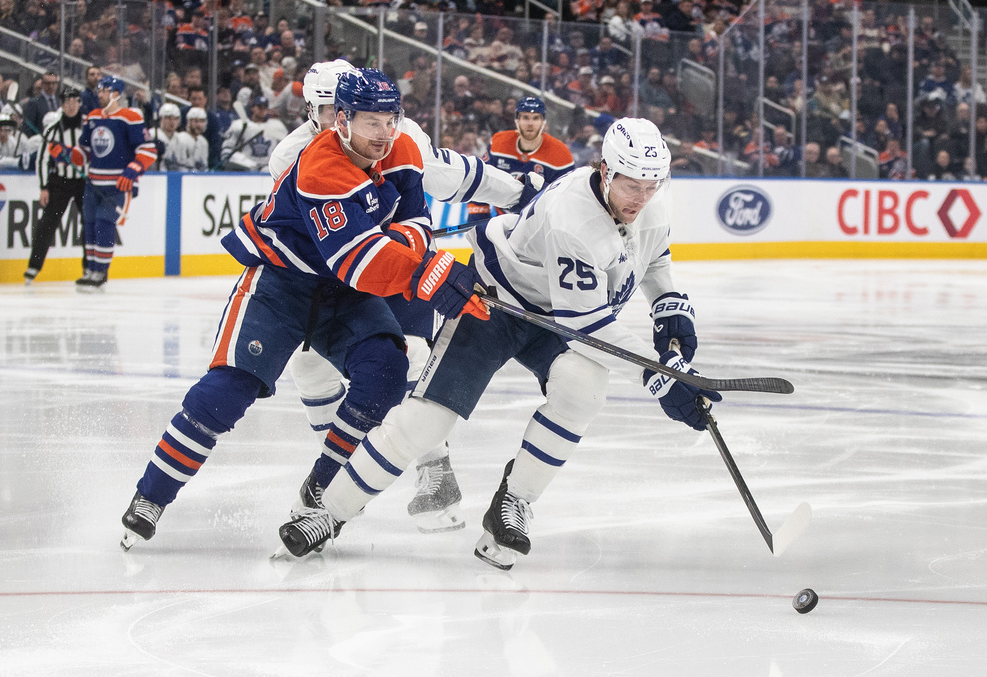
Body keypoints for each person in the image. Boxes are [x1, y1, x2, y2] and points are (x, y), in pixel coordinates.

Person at [276, 118, 722, 568]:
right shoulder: (573, 215)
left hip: (557, 313)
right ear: (605, 171)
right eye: (631, 186)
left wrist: (669, 306)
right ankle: (329, 513)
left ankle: (514, 502)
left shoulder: (652, 203)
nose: (641, 198)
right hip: (496, 301)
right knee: (426, 421)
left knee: (582, 389)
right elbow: (585, 325)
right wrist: (662, 376)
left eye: (651, 186)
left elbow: (652, 257)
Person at [119, 68, 490, 551]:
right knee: (227, 389)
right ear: (340, 119)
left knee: (385, 371)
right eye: (370, 122)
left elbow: (417, 222)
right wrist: (426, 270)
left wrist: (404, 248)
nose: (384, 133)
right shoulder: (318, 164)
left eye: (391, 120)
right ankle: (151, 495)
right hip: (282, 284)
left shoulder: (402, 151)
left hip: (347, 293)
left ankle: (321, 487)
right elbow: (358, 259)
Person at [268, 61, 541, 534]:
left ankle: (435, 473)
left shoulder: (394, 132)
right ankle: (336, 468)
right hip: (342, 279)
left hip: (403, 267)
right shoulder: (291, 155)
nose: (350, 117)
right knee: (308, 366)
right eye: (333, 108)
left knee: (410, 356)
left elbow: (456, 175)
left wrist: (519, 193)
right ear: (315, 110)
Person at [48, 75, 158, 292]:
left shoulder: (130, 117)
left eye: (104, 91)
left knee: (104, 224)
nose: (100, 94)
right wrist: (65, 153)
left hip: (117, 184)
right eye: (99, 91)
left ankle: (101, 271)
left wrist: (132, 170)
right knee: (89, 225)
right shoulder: (93, 117)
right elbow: (84, 153)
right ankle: (90, 268)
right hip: (93, 182)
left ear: (116, 94)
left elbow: (148, 150)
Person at [468, 96, 574, 216]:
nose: (530, 123)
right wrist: (479, 218)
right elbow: (480, 180)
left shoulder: (561, 154)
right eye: (525, 117)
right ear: (517, 120)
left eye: (535, 118)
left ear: (543, 122)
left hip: (539, 222)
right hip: (503, 217)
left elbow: (564, 199)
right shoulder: (499, 144)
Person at [24, 87, 86, 284]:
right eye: (67, 101)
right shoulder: (52, 130)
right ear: (62, 104)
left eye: (75, 101)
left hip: (84, 182)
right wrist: (43, 186)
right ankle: (34, 266)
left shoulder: (88, 127)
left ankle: (90, 268)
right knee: (47, 224)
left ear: (80, 103)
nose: (71, 105)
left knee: (90, 225)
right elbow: (42, 160)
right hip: (60, 182)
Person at [219, 95, 287, 170]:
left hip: (268, 169)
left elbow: (286, 150)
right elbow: (227, 151)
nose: (262, 110)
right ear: (252, 108)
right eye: (259, 107)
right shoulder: (240, 125)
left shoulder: (277, 126)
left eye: (265, 107)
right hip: (245, 168)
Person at [147, 103, 183, 171]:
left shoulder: (180, 138)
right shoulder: (152, 134)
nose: (172, 122)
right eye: (168, 118)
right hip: (156, 175)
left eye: (175, 119)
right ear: (161, 119)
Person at [175, 107, 210, 171]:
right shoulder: (180, 138)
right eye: (196, 121)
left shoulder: (203, 142)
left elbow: (204, 166)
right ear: (189, 122)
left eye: (202, 121)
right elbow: (178, 166)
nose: (199, 125)